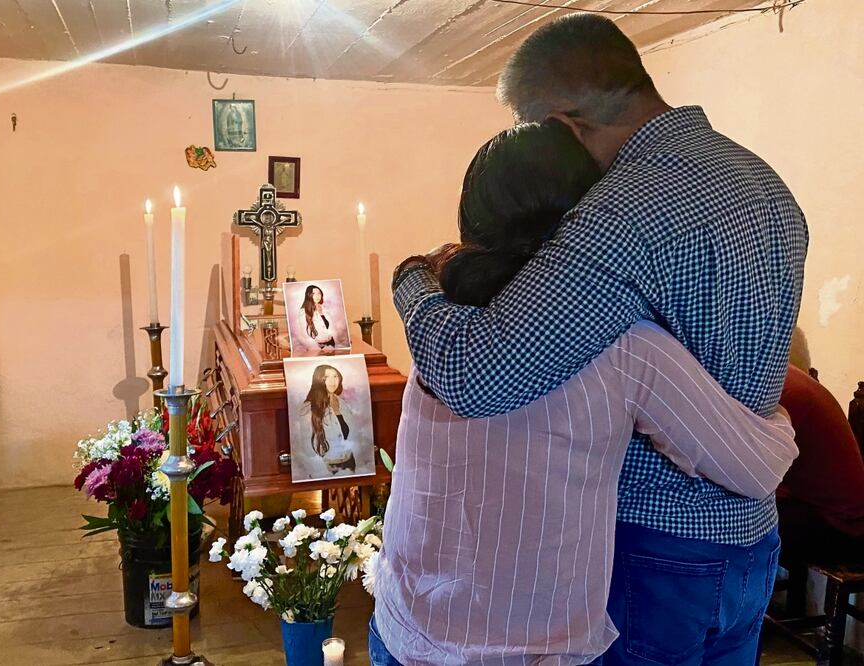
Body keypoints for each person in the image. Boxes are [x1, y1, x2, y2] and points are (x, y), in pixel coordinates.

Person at [390, 14, 807, 665]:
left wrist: (412, 280)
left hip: (655, 547)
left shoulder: (624, 207)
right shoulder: (763, 181)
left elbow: (475, 375)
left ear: (565, 124)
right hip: (753, 541)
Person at [777, 362, 864, 565]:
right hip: (823, 511)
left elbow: (758, 480)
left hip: (844, 527)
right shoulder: (780, 377)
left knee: (738, 523)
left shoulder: (779, 395)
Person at [296, 365, 360, 479]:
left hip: (349, 464)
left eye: (335, 376)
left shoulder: (343, 404)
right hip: (326, 468)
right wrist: (321, 472)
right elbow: (306, 447)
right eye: (327, 377)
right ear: (318, 380)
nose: (332, 381)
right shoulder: (308, 408)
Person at [298, 285, 336, 352]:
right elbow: (304, 335)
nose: (317, 296)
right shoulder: (303, 311)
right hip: (317, 347)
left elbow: (330, 327)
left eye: (319, 293)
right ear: (309, 295)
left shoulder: (324, 308)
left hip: (331, 344)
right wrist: (318, 350)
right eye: (314, 294)